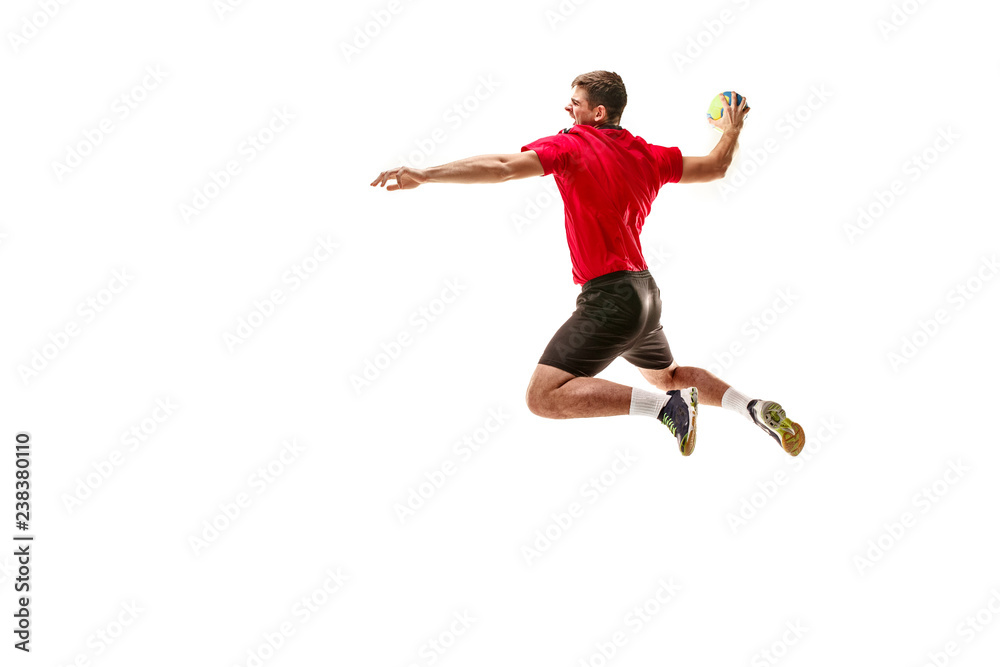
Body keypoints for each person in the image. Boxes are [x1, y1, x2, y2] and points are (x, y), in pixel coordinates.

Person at [370, 70, 803, 457]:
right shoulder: (647, 155)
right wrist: (732, 129)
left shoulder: (570, 146)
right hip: (645, 295)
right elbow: (715, 166)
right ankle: (753, 408)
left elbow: (502, 167)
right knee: (668, 374)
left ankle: (666, 409)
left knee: (543, 397)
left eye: (574, 102)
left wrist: (425, 174)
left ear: (597, 112)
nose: (566, 107)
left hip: (612, 297)